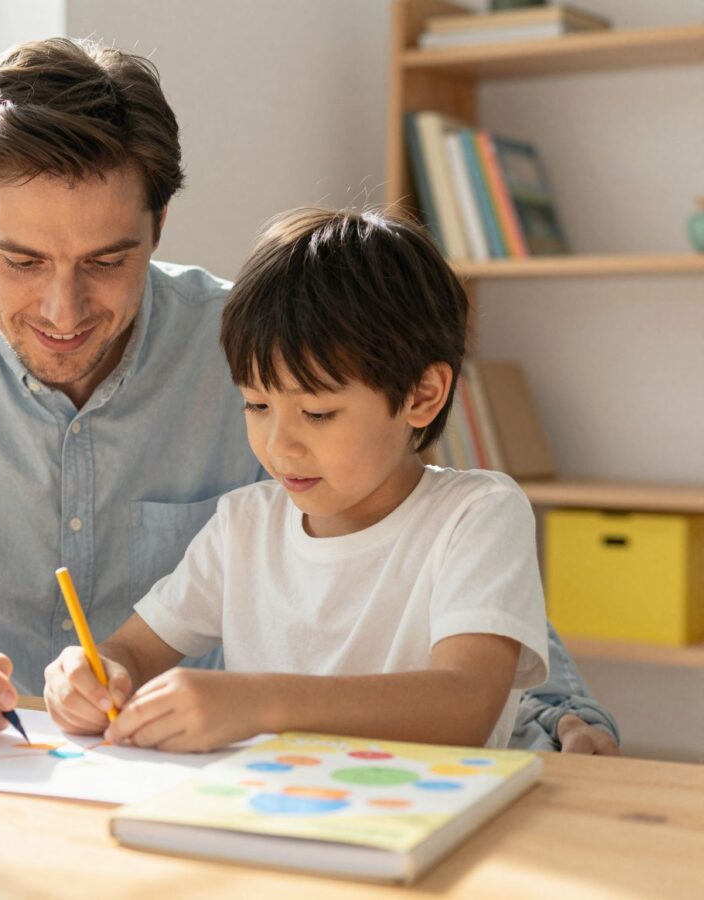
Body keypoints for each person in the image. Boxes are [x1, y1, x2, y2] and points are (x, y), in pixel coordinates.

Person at [0, 37, 618, 754]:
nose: (64, 309)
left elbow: (426, 533)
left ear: (159, 223)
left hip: (216, 795)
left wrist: (561, 713)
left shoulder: (252, 348)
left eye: (108, 260)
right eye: (20, 261)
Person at [45, 207, 555, 751]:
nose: (278, 444)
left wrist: (258, 703)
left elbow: (466, 704)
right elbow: (137, 653)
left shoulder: (476, 515)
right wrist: (93, 675)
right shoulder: (245, 525)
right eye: (257, 404)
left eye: (317, 414)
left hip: (425, 819)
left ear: (421, 395)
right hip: (272, 812)